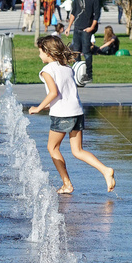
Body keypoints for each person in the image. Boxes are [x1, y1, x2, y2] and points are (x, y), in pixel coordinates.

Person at [28, 35, 115, 194]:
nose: (39, 55)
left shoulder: (47, 70)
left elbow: (54, 92)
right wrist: (49, 105)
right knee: (78, 151)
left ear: (48, 52)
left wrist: (38, 108)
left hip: (62, 115)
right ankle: (105, 170)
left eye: (40, 52)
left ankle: (67, 184)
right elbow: (64, 93)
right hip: (77, 112)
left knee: (52, 147)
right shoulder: (67, 68)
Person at [67, 0, 100, 82]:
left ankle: (88, 74)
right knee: (75, 52)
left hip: (86, 29)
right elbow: (73, 12)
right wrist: (69, 27)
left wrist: (92, 28)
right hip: (77, 28)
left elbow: (96, 14)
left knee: (86, 52)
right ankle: (77, 72)